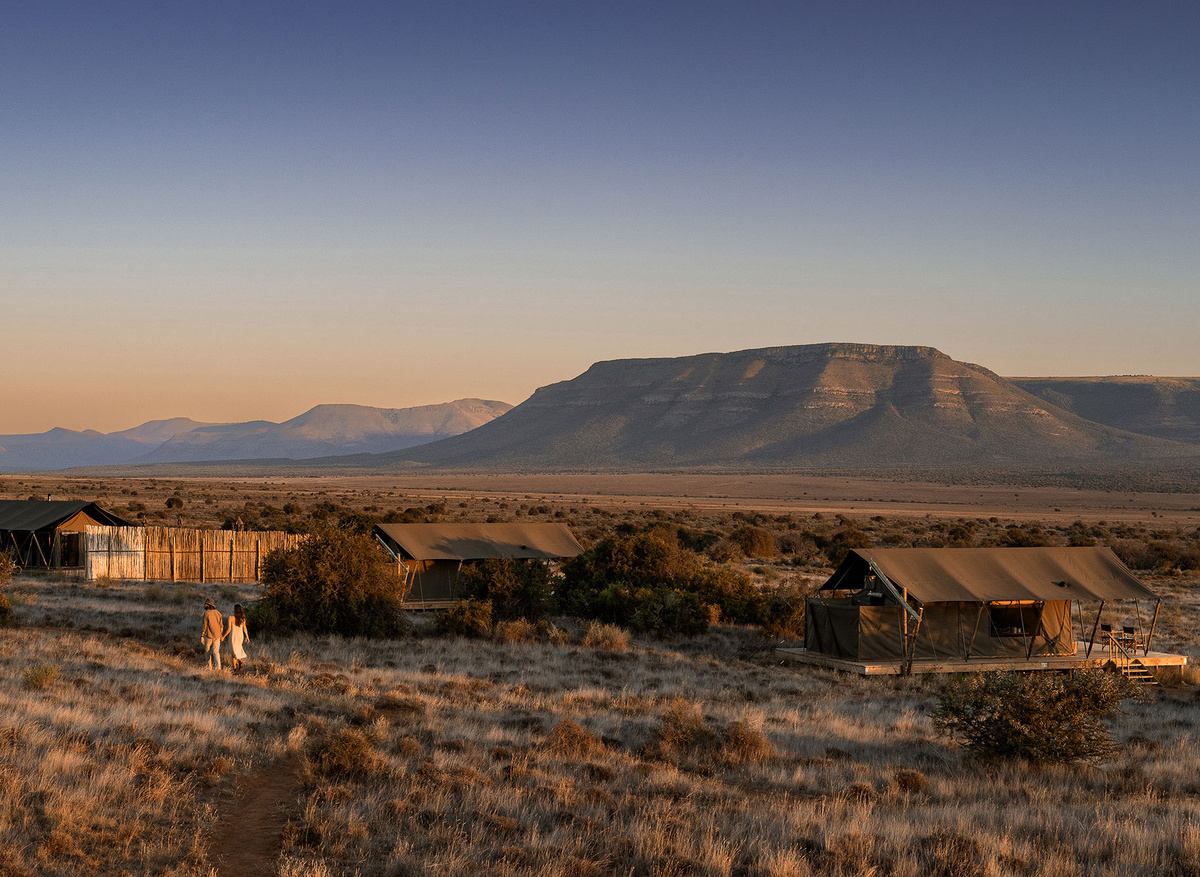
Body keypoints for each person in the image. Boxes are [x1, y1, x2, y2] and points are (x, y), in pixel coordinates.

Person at [201, 599, 225, 670]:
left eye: (206, 604)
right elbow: (221, 626)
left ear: (209, 605)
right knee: (216, 651)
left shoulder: (206, 613)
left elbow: (204, 626)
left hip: (209, 635)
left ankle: (209, 667)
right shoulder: (218, 613)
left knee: (207, 651)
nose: (205, 605)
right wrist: (221, 635)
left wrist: (202, 636)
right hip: (217, 635)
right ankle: (218, 667)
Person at [225, 603, 250, 670]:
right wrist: (247, 636)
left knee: (233, 652)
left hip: (233, 636)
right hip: (240, 636)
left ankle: (236, 665)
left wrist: (223, 636)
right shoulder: (243, 618)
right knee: (237, 650)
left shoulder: (231, 618)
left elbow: (229, 629)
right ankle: (237, 665)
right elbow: (245, 628)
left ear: (234, 610)